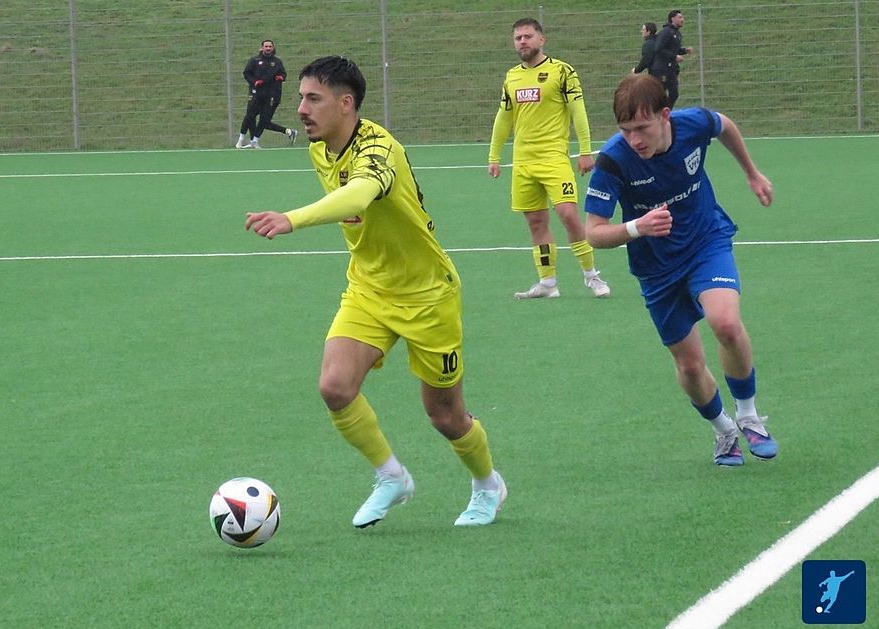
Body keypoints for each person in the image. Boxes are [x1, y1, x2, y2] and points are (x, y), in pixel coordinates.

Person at [245, 56, 507, 527]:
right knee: (335, 387)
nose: (301, 109)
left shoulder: (378, 148)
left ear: (346, 103)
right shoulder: (321, 148)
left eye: (313, 99)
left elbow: (358, 194)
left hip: (428, 294)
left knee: (445, 416)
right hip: (368, 287)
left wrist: (292, 219)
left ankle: (488, 485)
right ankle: (391, 476)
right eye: (301, 98)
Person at [583, 73, 779, 466]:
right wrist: (637, 227)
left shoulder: (692, 124)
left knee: (726, 323)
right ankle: (724, 431)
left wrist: (751, 172)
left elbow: (724, 125)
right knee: (689, 366)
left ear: (665, 115)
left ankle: (748, 415)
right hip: (656, 268)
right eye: (625, 130)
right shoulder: (613, 160)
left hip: (706, 240)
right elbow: (594, 233)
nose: (634, 139)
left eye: (642, 128)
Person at [488, 18, 610, 299]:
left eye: (528, 36)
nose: (523, 41)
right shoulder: (511, 77)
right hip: (523, 162)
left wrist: (585, 150)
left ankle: (591, 275)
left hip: (554, 158)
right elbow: (504, 117)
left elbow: (578, 111)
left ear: (541, 40)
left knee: (568, 215)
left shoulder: (562, 71)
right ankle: (548, 282)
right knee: (536, 222)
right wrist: (494, 155)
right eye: (518, 37)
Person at [235, 39, 298, 149]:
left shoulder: (277, 62)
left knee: (264, 120)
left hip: (270, 95)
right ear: (262, 48)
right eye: (266, 46)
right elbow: (247, 73)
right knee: (249, 116)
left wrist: (281, 77)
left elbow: (283, 74)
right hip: (255, 93)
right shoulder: (255, 60)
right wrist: (254, 82)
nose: (268, 48)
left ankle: (254, 141)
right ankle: (240, 140)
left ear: (273, 48)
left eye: (270, 46)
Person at [650, 10, 693, 108]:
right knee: (660, 94)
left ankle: (666, 112)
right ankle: (658, 112)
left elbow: (674, 49)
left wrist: (684, 50)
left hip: (671, 69)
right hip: (661, 69)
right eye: (680, 17)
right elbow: (658, 49)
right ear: (672, 19)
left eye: (682, 17)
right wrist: (674, 57)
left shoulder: (677, 33)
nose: (682, 19)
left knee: (674, 93)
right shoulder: (666, 32)